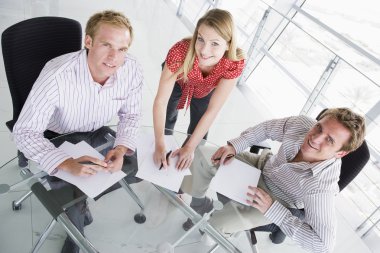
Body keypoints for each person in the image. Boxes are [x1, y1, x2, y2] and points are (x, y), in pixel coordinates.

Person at [12, 10, 143, 253]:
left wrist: (121, 147)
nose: (115, 57)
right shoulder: (56, 75)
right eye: (107, 45)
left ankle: (82, 204)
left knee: (138, 166)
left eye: (123, 49)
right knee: (72, 191)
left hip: (98, 131)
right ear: (89, 41)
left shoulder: (131, 68)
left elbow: (131, 115)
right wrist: (66, 163)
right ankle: (76, 232)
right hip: (59, 136)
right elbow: (24, 132)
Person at [183, 108, 366, 253]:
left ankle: (213, 231)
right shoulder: (302, 124)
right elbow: (266, 128)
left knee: (217, 225)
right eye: (319, 127)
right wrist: (235, 145)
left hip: (277, 200)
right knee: (202, 157)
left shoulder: (322, 186)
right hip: (262, 165)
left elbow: (323, 246)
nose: (315, 138)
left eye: (329, 140)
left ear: (341, 153)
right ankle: (199, 204)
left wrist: (274, 210)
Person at [153, 8, 245, 170]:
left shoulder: (234, 62)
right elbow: (160, 102)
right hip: (178, 81)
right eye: (201, 39)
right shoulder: (180, 51)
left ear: (228, 44)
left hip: (205, 89)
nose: (204, 50)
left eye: (215, 43)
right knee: (168, 114)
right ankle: (164, 157)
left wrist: (190, 147)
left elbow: (213, 110)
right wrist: (159, 143)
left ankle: (182, 172)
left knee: (198, 131)